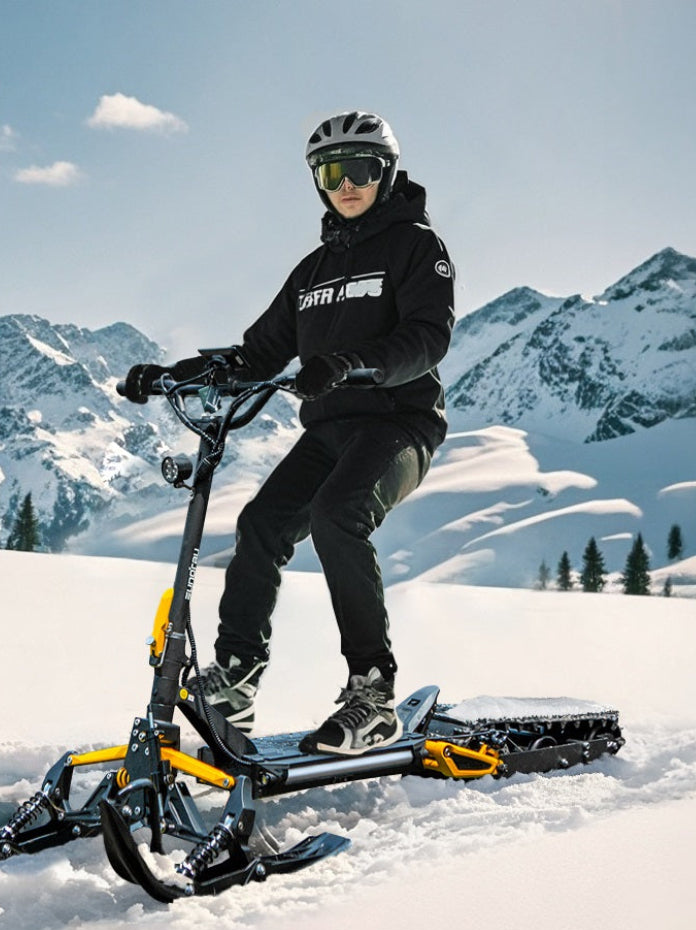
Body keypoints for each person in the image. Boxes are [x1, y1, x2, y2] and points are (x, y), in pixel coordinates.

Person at [123, 111, 454, 756]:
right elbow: (257, 353)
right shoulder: (313, 272)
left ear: (384, 172)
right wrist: (175, 375)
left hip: (398, 425)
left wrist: (355, 364)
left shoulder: (418, 247)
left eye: (359, 168)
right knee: (261, 526)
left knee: (338, 515)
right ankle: (238, 678)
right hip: (330, 430)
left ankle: (372, 693)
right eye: (331, 172)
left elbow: (426, 338)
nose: (345, 183)